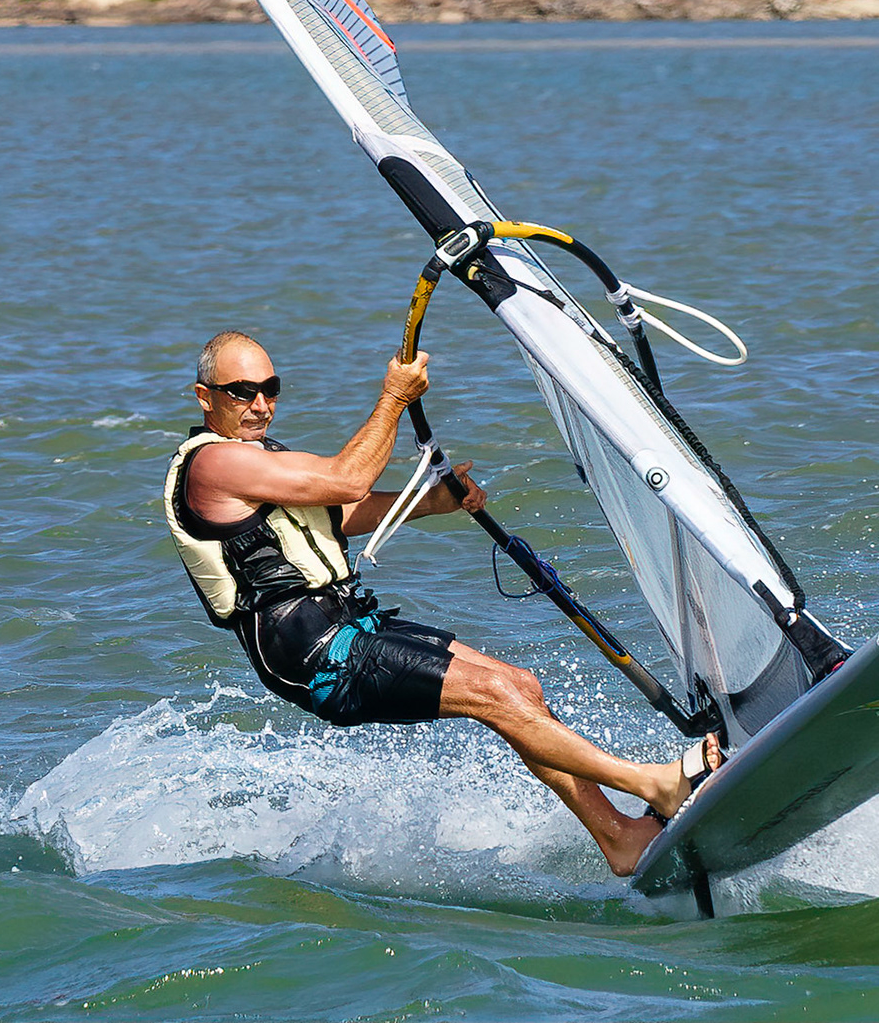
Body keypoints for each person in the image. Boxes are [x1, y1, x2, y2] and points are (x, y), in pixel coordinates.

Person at [163, 329, 719, 876]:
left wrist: (432, 503)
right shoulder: (215, 464)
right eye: (241, 391)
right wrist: (394, 398)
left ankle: (618, 838)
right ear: (205, 396)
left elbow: (335, 516)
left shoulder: (258, 457)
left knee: (518, 686)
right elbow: (348, 480)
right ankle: (653, 783)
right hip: (310, 652)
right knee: (495, 693)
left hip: (351, 624)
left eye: (271, 388)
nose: (260, 404)